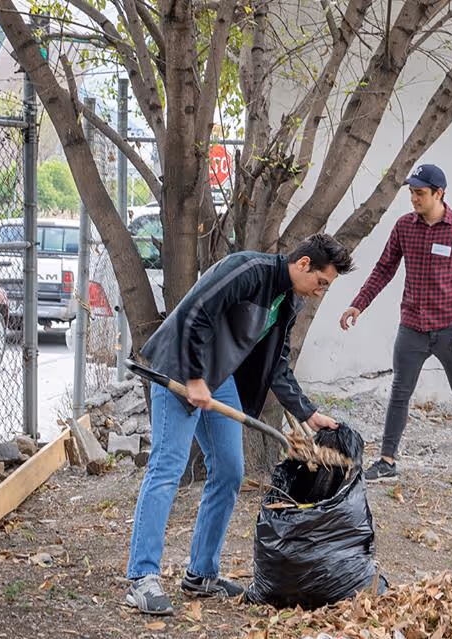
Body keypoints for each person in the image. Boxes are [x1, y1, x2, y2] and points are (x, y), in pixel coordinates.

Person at [124, 234, 355, 616]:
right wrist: (195, 377)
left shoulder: (287, 302)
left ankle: (201, 574)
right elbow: (195, 311)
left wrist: (308, 413)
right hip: (180, 367)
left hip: (218, 379)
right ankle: (142, 578)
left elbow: (277, 365)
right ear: (303, 265)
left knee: (230, 470)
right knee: (168, 466)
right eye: (322, 282)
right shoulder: (249, 269)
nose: (320, 291)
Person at [339, 164, 452, 492]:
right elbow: (384, 268)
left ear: (439, 193)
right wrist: (358, 303)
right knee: (400, 392)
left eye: (420, 193)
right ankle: (387, 461)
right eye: (411, 192)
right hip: (412, 327)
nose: (413, 198)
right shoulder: (404, 227)